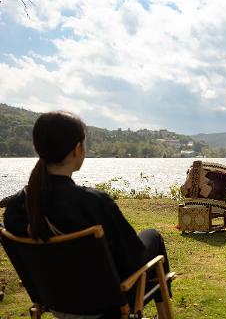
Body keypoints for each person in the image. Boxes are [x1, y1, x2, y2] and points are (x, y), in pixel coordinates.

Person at [3, 111, 172, 318]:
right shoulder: (93, 203)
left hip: (54, 298)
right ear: (77, 149)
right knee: (153, 237)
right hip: (107, 303)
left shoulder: (18, 206)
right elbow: (133, 258)